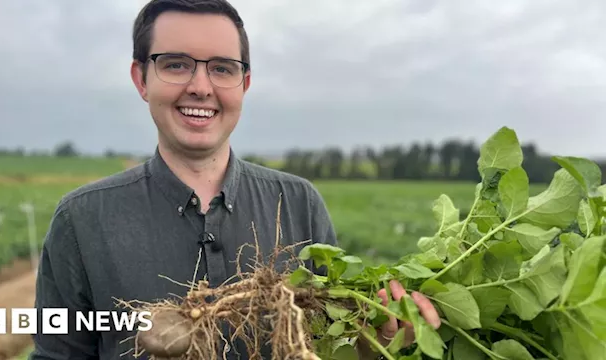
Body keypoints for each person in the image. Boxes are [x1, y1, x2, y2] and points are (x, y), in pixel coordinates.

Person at [29, 0, 440, 359]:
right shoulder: (82, 220)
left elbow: (332, 346)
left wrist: (376, 344)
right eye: (176, 64)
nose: (201, 87)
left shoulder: (298, 204)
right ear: (141, 79)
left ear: (243, 84)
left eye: (222, 69)